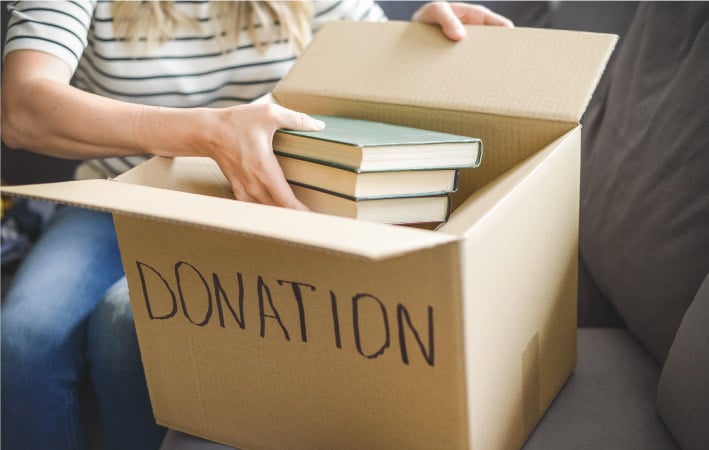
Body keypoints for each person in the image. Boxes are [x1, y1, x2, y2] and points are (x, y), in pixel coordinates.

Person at [0, 2, 512, 449]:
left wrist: (415, 39)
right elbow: (22, 108)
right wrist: (205, 132)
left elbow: (366, 65)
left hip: (251, 210)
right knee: (21, 343)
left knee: (131, 327)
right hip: (112, 200)